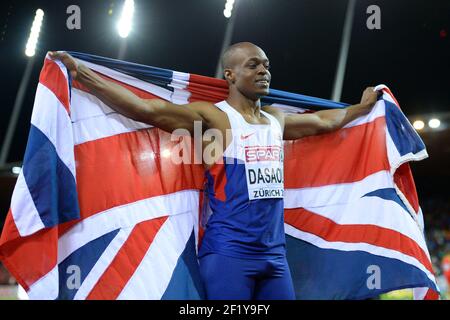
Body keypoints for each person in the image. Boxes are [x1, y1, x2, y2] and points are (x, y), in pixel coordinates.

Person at [50, 42, 378, 300]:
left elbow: (323, 122)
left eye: (266, 65)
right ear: (230, 75)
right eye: (253, 65)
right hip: (229, 254)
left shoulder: (275, 119)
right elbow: (147, 109)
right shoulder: (215, 119)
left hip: (274, 255)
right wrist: (82, 73)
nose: (264, 70)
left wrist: (362, 108)